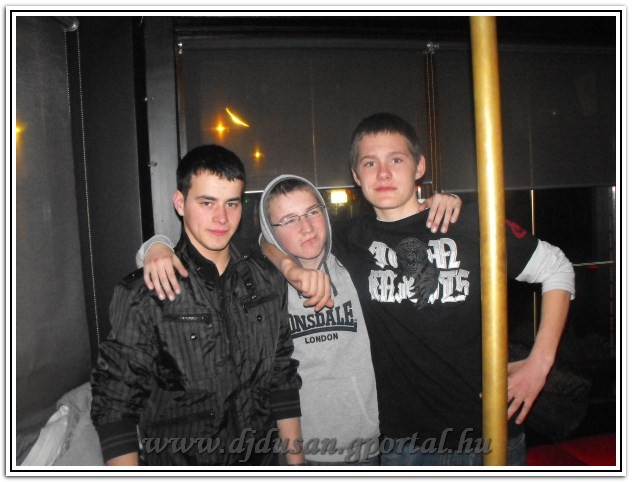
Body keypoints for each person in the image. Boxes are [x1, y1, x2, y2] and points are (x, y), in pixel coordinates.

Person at [289, 112, 572, 465]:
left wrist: (539, 364)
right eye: (370, 163)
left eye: (396, 159)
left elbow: (557, 268)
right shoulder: (348, 239)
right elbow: (270, 238)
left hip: (489, 432)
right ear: (356, 176)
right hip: (404, 444)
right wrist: (289, 267)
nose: (383, 173)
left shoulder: (467, 222)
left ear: (419, 166)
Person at [136, 174, 461, 464]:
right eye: (289, 220)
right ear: (270, 231)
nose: (306, 227)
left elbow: (402, 236)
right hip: (298, 450)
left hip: (367, 444)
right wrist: (156, 247)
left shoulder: (356, 264)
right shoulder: (260, 285)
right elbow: (213, 260)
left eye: (311, 212)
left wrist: (438, 202)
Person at [90, 145, 303, 466]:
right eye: (207, 203)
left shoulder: (266, 280)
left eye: (232, 203)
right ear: (180, 203)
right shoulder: (145, 292)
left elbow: (281, 377)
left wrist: (296, 465)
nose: (222, 218)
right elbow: (115, 404)